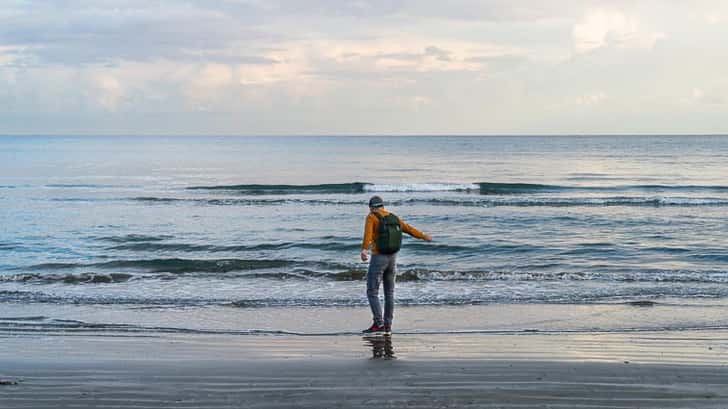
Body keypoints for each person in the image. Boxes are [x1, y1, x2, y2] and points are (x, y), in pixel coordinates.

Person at [360, 195, 432, 335]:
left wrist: (363, 250)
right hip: (393, 257)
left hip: (378, 257)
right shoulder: (393, 217)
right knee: (389, 293)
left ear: (371, 207)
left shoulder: (371, 217)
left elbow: (367, 235)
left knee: (372, 291)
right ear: (383, 206)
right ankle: (387, 325)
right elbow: (408, 229)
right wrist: (423, 236)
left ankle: (378, 324)